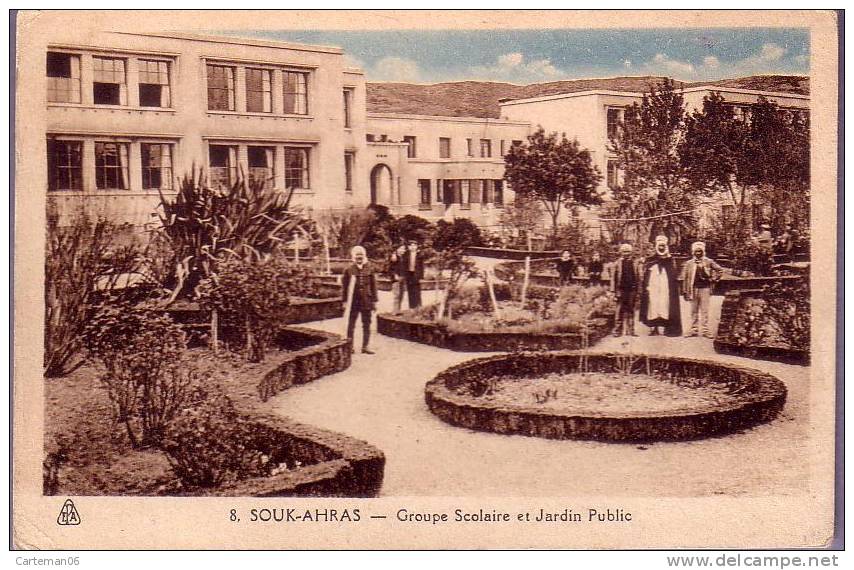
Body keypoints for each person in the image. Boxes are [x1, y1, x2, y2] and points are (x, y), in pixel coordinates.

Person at [679, 241, 753, 338]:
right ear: (693, 252)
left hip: (705, 289)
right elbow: (685, 277)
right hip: (693, 289)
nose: (698, 253)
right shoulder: (689, 263)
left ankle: (705, 330)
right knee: (693, 310)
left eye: (700, 251)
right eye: (696, 251)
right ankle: (694, 329)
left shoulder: (708, 261)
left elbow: (720, 270)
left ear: (703, 251)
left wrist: (713, 279)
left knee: (704, 310)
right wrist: (685, 290)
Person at [640, 235, 682, 337]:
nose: (661, 248)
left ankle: (665, 328)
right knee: (653, 306)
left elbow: (674, 273)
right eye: (660, 246)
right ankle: (653, 328)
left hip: (665, 287)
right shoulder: (650, 259)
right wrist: (646, 285)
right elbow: (645, 273)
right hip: (653, 287)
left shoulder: (670, 259)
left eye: (663, 246)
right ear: (657, 246)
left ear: (666, 246)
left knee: (664, 306)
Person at [341, 245, 378, 354]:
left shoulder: (370, 268)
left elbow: (373, 286)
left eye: (361, 254)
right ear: (353, 256)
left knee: (367, 324)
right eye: (357, 255)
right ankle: (350, 347)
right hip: (353, 302)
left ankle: (365, 346)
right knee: (351, 324)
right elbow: (345, 287)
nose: (359, 257)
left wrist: (374, 301)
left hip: (367, 301)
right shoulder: (348, 269)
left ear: (364, 255)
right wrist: (344, 301)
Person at [610, 243, 641, 337]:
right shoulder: (617, 264)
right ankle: (617, 330)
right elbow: (613, 278)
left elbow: (639, 277)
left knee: (631, 310)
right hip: (621, 290)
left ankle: (631, 330)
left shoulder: (635, 263)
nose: (626, 253)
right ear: (621, 252)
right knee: (619, 310)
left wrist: (639, 291)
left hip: (632, 290)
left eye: (628, 252)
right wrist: (613, 291)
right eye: (624, 252)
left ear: (631, 252)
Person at [403, 239, 424, 309]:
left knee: (417, 291)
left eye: (414, 245)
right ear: (408, 247)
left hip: (416, 275)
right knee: (410, 290)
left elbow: (422, 267)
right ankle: (411, 306)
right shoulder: (406, 254)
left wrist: (421, 277)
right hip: (409, 274)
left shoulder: (420, 254)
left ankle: (418, 306)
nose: (412, 247)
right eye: (411, 245)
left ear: (417, 246)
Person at [389, 244, 407, 314]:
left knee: (401, 295)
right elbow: (390, 268)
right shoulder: (394, 257)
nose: (403, 250)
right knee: (397, 295)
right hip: (396, 278)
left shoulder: (403, 257)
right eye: (401, 249)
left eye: (404, 249)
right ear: (397, 249)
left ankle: (398, 310)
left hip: (403, 278)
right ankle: (395, 310)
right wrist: (394, 275)